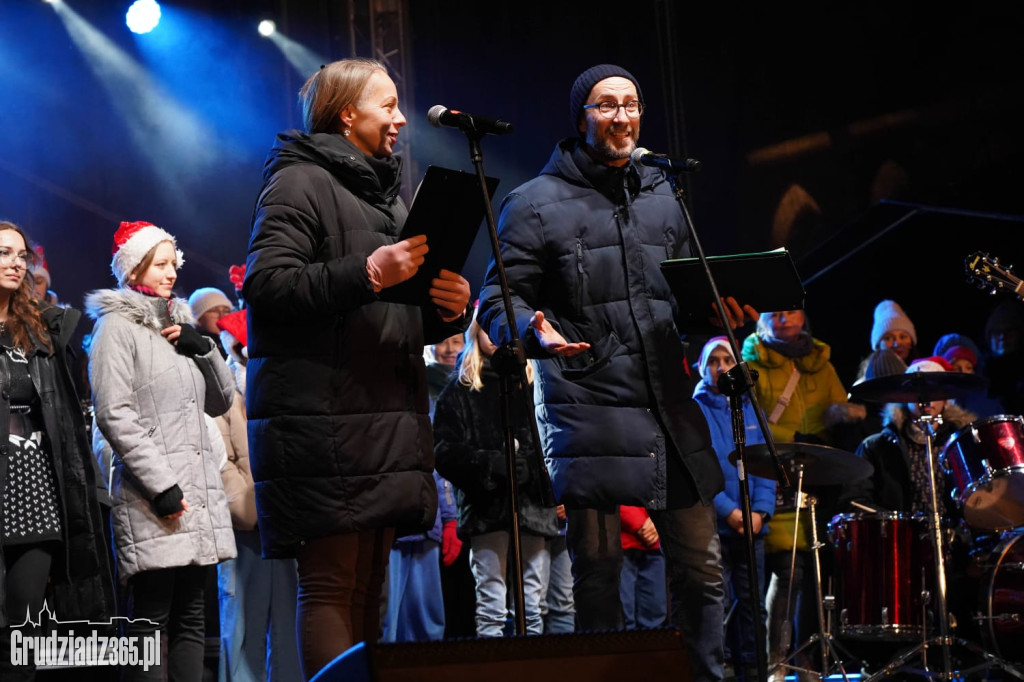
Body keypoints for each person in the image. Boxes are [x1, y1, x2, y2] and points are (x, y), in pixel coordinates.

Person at [477, 63, 755, 682]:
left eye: (631, 104)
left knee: (703, 570)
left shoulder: (664, 192)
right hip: (588, 400)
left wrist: (716, 307)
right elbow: (497, 297)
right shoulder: (534, 203)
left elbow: (682, 286)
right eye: (606, 105)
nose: (622, 115)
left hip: (668, 402)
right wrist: (532, 330)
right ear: (582, 118)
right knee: (599, 575)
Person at [243, 57, 470, 678]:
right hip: (324, 420)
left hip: (378, 417)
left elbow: (392, 314)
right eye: (387, 105)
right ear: (348, 113)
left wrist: (445, 311)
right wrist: (370, 271)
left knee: (369, 587)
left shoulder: (386, 199)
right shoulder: (299, 183)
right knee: (330, 586)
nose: (400, 119)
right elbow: (267, 285)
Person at [86, 220, 237, 681]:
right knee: (150, 624)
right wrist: (161, 486)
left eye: (174, 263)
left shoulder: (180, 323)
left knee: (193, 618)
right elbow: (114, 414)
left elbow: (220, 401)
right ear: (135, 267)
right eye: (160, 263)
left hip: (195, 496)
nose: (171, 272)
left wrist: (206, 350)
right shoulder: (116, 328)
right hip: (154, 499)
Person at [0, 221, 113, 682]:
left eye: (20, 255)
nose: (14, 262)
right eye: (4, 252)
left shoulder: (41, 330)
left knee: (23, 640)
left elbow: (68, 416)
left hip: (34, 494)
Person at [433, 311, 559, 637]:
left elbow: (554, 439)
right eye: (488, 329)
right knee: (490, 605)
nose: (496, 337)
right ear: (476, 334)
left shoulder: (535, 385)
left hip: (533, 507)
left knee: (532, 606)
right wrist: (490, 464)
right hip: (485, 509)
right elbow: (444, 452)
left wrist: (530, 468)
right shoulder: (459, 391)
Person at [741, 309, 852, 678]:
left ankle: (809, 658)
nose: (785, 316)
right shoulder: (752, 358)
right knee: (786, 571)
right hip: (772, 474)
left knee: (814, 572)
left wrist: (843, 415)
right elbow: (744, 414)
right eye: (776, 311)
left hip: (816, 477)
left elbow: (837, 409)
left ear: (805, 315)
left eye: (792, 309)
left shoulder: (821, 361)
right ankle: (777, 658)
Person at [213, 309, 301, 682]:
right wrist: (249, 507)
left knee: (289, 627)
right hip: (245, 529)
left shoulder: (286, 392)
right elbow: (221, 460)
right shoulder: (222, 398)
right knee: (243, 627)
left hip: (286, 527)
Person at [693, 337, 775, 682]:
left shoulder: (751, 408)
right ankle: (721, 670)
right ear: (704, 367)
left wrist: (760, 512)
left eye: (728, 359)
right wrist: (729, 511)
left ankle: (754, 670)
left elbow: (766, 466)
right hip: (716, 524)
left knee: (753, 604)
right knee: (718, 604)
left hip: (752, 525)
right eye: (715, 360)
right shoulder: (695, 408)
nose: (722, 366)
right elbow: (700, 466)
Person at [618, 505, 667, 630]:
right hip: (621, 543)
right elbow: (612, 488)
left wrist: (659, 520)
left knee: (655, 617)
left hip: (655, 545)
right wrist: (638, 522)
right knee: (623, 617)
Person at [189, 287, 234, 359]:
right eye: (214, 311)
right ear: (198, 319)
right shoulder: (194, 350)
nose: (222, 316)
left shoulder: (238, 343)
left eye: (226, 311)